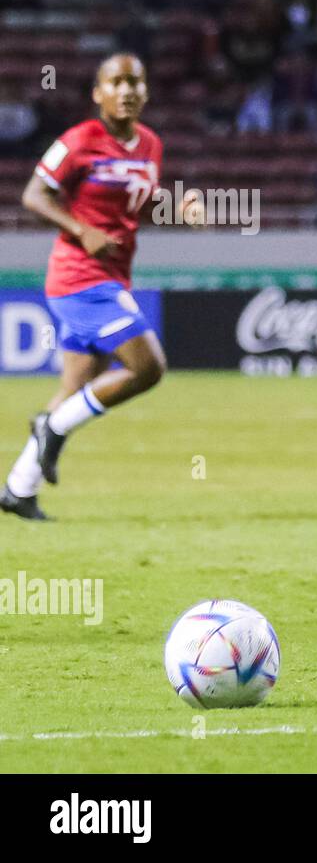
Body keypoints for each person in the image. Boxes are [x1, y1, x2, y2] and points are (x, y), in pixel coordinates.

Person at [2, 53, 191, 522]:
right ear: (98, 93)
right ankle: (53, 428)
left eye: (136, 82)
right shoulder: (79, 140)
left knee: (75, 388)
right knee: (148, 367)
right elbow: (33, 194)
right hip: (79, 278)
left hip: (112, 275)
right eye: (116, 82)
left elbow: (138, 206)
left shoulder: (149, 144)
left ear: (146, 92)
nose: (127, 90)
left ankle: (17, 489)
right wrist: (80, 228)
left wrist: (177, 211)